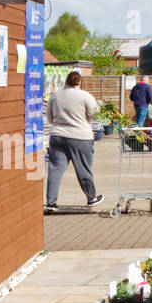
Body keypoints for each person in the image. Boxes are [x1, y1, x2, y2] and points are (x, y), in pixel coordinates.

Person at [45, 71, 104, 213]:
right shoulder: (85, 96)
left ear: (66, 81)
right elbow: (94, 114)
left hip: (58, 135)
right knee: (83, 168)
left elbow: (49, 117)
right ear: (79, 82)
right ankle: (91, 198)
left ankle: (51, 202)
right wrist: (84, 121)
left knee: (55, 169)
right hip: (80, 137)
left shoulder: (56, 96)